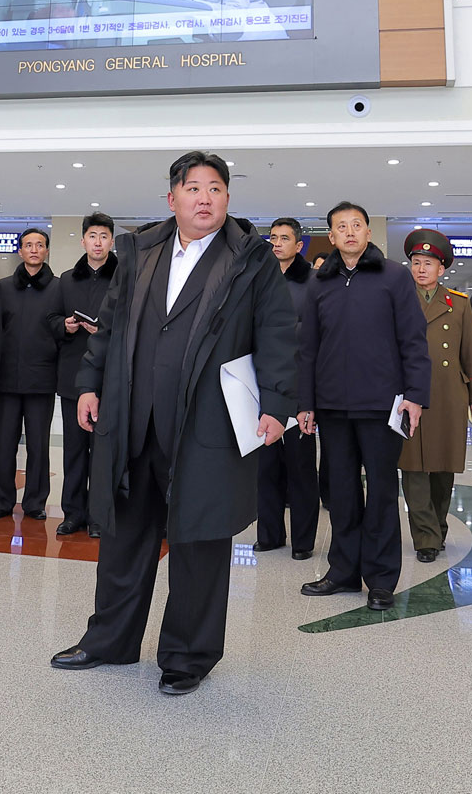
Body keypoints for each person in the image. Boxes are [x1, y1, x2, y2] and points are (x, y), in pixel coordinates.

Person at [51, 151, 295, 696]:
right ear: (173, 198)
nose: (203, 197)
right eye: (193, 188)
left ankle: (188, 656)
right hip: (134, 417)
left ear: (227, 199)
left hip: (205, 425)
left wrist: (276, 405)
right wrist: (89, 383)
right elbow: (109, 326)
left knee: (199, 540)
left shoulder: (251, 258)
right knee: (123, 535)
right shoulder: (142, 249)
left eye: (215, 188)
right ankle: (108, 640)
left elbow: (278, 334)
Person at [297, 202, 430, 611]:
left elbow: (413, 340)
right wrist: (306, 402)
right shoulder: (320, 282)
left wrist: (415, 395)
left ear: (368, 233)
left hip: (381, 405)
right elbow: (307, 349)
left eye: (357, 225)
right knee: (341, 493)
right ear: (332, 237)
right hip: (333, 407)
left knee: (382, 491)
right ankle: (342, 571)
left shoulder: (394, 276)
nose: (350, 232)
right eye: (341, 227)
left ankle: (381, 579)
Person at [398, 229, 472, 563]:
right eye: (416, 262)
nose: (421, 269)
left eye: (428, 263)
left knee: (443, 467)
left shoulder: (459, 305)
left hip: (449, 394)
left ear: (442, 269)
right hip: (408, 395)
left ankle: (437, 526)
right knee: (413, 467)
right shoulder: (398, 299)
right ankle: (425, 538)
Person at [253, 217, 318, 560]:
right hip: (262, 386)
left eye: (284, 238)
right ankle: (269, 534)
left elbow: (316, 339)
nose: (276, 243)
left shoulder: (312, 282)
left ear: (299, 245)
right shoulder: (258, 278)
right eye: (272, 237)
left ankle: (303, 541)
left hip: (296, 386)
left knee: (301, 470)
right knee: (266, 467)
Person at [0, 227, 64, 521]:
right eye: (28, 245)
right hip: (7, 378)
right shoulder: (3, 287)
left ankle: (35, 502)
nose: (34, 250)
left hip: (42, 378)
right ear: (20, 251)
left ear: (47, 251)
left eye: (40, 245)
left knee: (38, 444)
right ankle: (1, 500)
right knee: (4, 443)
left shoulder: (59, 288)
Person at [52, 212, 116, 537]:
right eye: (93, 236)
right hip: (73, 377)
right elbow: (50, 319)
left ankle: (98, 517)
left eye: (104, 236)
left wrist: (105, 330)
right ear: (83, 241)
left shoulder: (124, 279)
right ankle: (72, 514)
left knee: (102, 452)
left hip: (109, 378)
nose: (98, 242)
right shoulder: (66, 279)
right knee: (74, 449)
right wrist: (65, 325)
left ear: (112, 241)